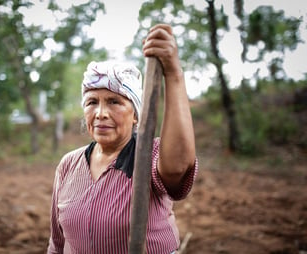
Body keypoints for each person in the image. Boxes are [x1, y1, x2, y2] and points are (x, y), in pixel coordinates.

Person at [47, 24, 198, 254]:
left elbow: (177, 167)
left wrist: (173, 74)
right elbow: (57, 243)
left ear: (136, 115)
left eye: (114, 102)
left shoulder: (148, 155)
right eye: (92, 102)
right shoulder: (69, 164)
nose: (101, 113)